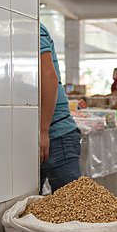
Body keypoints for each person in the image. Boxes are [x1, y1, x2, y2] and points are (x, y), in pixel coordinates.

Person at [40, 22, 81, 193]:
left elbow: (48, 77)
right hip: (36, 136)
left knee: (73, 207)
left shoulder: (33, 27)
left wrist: (43, 131)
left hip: (56, 135)